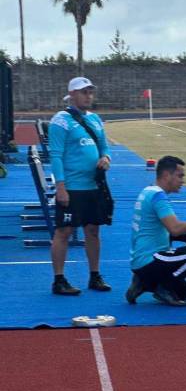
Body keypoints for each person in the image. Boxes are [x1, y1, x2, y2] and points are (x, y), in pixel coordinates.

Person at [126, 156, 186, 306]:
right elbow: (176, 229)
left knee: (183, 292)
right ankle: (161, 285)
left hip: (140, 261)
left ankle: (144, 282)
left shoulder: (147, 191)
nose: (182, 180)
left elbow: (172, 231)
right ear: (166, 175)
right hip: (149, 260)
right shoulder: (158, 196)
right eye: (180, 176)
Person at [48, 76, 112, 295]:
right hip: (72, 187)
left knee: (93, 231)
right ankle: (59, 279)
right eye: (84, 92)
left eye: (90, 92)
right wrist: (61, 187)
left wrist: (106, 158)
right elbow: (55, 156)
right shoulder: (61, 120)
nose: (88, 96)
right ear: (72, 94)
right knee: (64, 231)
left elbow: (105, 146)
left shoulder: (95, 119)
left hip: (93, 186)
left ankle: (95, 275)